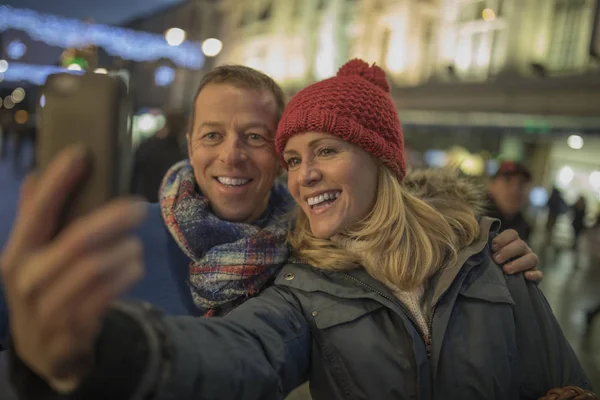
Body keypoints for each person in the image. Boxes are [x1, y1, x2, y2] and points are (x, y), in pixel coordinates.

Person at [2, 60, 593, 400]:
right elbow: (242, 351)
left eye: (258, 139)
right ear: (189, 144)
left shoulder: (489, 261)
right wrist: (100, 352)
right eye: (212, 135)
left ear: (380, 158)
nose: (305, 173)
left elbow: (563, 382)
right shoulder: (304, 285)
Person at [130, 111, 187, 203]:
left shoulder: (147, 146)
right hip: (167, 204)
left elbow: (134, 177)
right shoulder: (180, 155)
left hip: (143, 201)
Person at [487, 160, 532, 242]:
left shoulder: (524, 227)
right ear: (491, 185)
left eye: (521, 183)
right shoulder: (475, 221)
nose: (515, 189)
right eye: (507, 180)